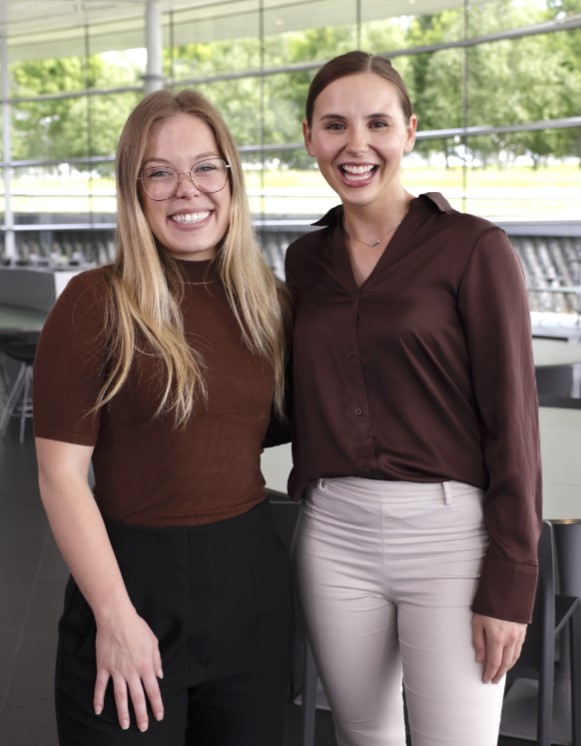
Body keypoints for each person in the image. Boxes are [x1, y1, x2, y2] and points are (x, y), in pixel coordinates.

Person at [285, 51, 542, 746]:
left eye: (377, 123)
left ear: (409, 132)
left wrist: (510, 581)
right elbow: (296, 397)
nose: (355, 144)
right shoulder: (303, 262)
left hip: (449, 538)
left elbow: (512, 424)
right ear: (308, 136)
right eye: (335, 125)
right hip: (333, 533)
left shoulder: (471, 248)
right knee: (360, 736)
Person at [33, 88, 293, 746]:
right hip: (133, 587)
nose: (188, 190)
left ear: (231, 179)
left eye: (205, 167)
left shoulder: (270, 304)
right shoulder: (95, 304)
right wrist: (114, 619)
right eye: (160, 172)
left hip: (252, 592)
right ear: (134, 188)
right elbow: (60, 477)